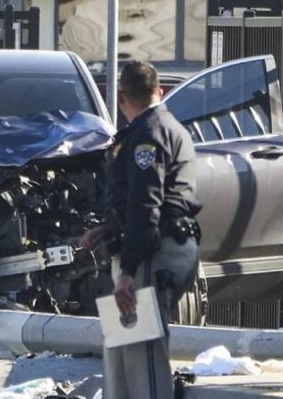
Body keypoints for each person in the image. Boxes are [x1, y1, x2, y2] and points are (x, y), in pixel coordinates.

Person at [81, 61, 202, 399]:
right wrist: (107, 229)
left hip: (153, 250)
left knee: (142, 350)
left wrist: (129, 272)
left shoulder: (148, 134)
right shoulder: (167, 127)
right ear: (159, 90)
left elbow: (146, 205)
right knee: (124, 351)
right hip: (159, 243)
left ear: (121, 97)